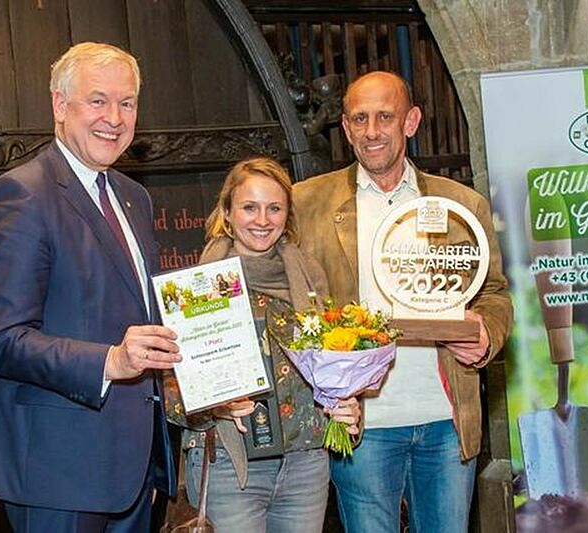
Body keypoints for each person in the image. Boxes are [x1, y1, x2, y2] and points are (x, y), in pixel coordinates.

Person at [0, 42, 181, 533]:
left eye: (127, 103)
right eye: (98, 101)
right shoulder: (23, 194)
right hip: (57, 475)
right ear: (59, 106)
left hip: (131, 471)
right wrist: (110, 361)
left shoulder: (134, 197)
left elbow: (140, 319)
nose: (114, 117)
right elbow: (2, 342)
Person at [293, 71, 513, 532]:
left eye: (385, 117)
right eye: (360, 118)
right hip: (362, 424)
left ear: (410, 121)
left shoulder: (461, 206)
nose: (372, 130)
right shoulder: (305, 203)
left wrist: (485, 333)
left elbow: (494, 294)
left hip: (445, 421)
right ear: (347, 127)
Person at [164, 157, 361, 533]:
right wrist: (213, 405)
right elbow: (170, 392)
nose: (262, 220)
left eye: (274, 208)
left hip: (306, 464)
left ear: (288, 215)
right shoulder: (197, 286)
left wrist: (349, 403)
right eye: (249, 207)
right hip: (229, 466)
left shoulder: (311, 276)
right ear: (228, 211)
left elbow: (334, 363)